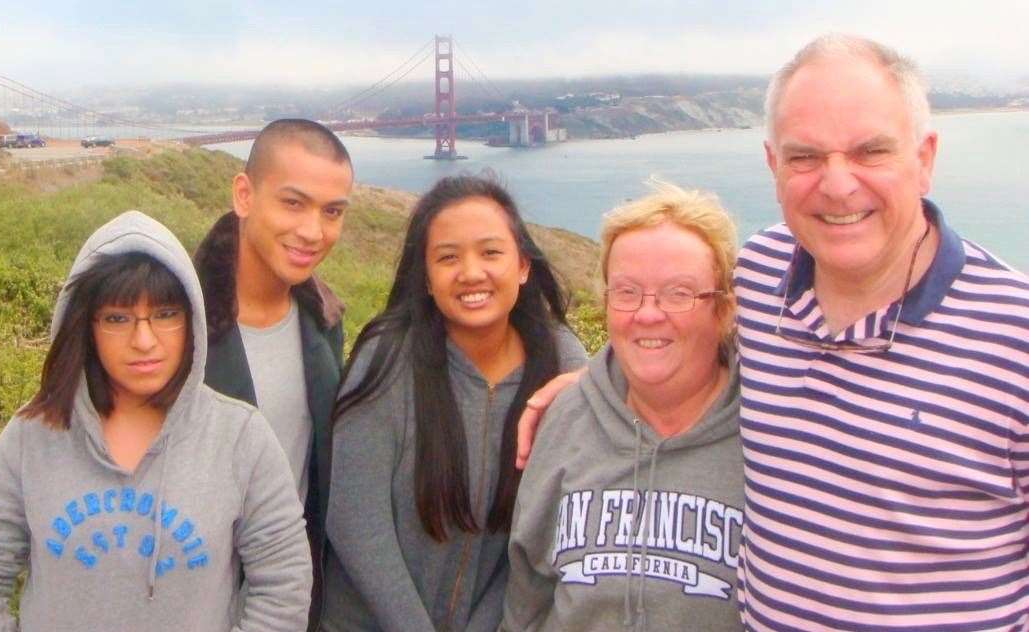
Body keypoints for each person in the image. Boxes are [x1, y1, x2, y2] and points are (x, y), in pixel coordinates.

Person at [733, 34, 1029, 629]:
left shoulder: (1015, 335)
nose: (838, 185)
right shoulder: (755, 274)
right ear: (773, 164)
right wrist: (582, 391)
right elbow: (672, 353)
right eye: (805, 157)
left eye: (870, 151)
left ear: (924, 158)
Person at [0, 211, 312, 631]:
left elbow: (283, 587)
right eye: (117, 318)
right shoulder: (32, 435)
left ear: (191, 321)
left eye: (164, 314)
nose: (144, 341)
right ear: (84, 326)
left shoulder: (240, 438)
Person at [319, 175, 589, 631]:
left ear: (523, 265)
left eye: (491, 253)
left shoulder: (561, 362)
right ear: (425, 277)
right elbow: (355, 522)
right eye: (448, 257)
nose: (470, 272)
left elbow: (549, 531)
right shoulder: (387, 358)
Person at [501, 183, 743, 632]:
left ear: (725, 308)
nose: (648, 315)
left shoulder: (770, 430)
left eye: (679, 293)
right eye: (628, 292)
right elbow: (526, 597)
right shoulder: (567, 420)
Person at [192, 118, 352, 623]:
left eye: (332, 212)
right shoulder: (174, 325)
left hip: (289, 607)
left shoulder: (323, 325)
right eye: (293, 202)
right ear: (244, 194)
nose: (312, 231)